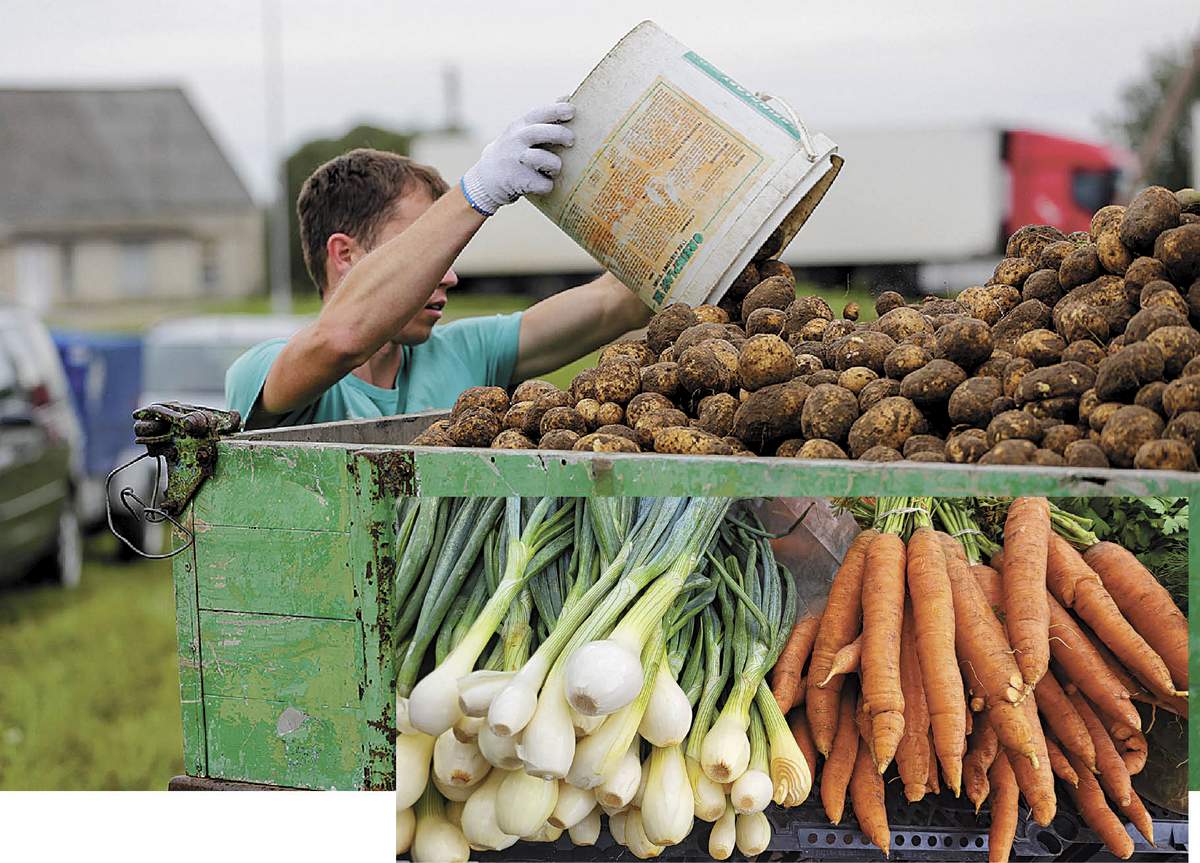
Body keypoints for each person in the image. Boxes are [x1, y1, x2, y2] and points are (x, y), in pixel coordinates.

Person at [225, 102, 651, 430]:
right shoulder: (260, 372)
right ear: (344, 255)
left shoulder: (462, 353)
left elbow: (615, 303)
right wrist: (478, 190)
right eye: (423, 251)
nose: (448, 275)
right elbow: (341, 339)